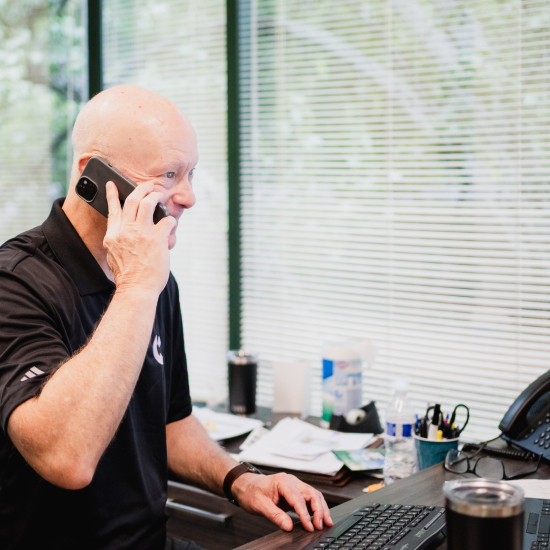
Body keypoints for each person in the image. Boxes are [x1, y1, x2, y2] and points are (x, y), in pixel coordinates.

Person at [0, 85, 332, 550]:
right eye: (169, 174)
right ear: (91, 175)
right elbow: (66, 459)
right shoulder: (15, 283)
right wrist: (136, 286)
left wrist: (241, 479)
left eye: (191, 173)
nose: (189, 196)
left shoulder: (152, 276)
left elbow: (170, 422)